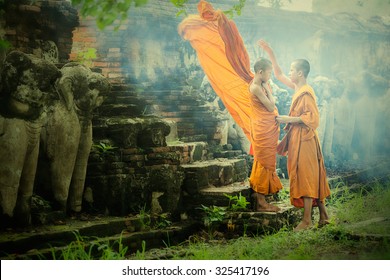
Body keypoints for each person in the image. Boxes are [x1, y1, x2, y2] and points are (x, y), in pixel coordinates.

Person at [259, 39, 331, 231]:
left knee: (306, 176)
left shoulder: (306, 92)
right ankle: (323, 216)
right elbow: (278, 74)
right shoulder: (298, 88)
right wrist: (270, 52)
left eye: (292, 69)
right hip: (299, 138)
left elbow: (312, 119)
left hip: (306, 138)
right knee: (310, 175)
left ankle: (306, 221)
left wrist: (286, 119)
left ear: (300, 73)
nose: (289, 72)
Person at [249, 58, 283, 212]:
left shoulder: (262, 84)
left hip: (268, 128)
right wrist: (268, 90)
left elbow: (272, 104)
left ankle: (262, 197)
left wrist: (267, 87)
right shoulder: (256, 87)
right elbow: (270, 106)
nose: (270, 76)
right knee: (263, 162)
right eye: (269, 73)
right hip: (262, 129)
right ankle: (261, 201)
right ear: (260, 72)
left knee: (267, 161)